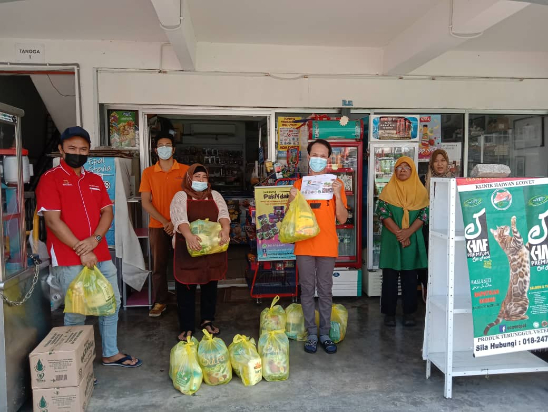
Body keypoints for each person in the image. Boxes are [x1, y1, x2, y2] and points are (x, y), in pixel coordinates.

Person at [36, 126, 141, 368]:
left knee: (111, 302)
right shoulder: (50, 179)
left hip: (100, 253)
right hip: (68, 256)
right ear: (61, 149)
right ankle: (75, 366)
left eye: (83, 149)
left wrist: (95, 240)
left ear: (88, 151)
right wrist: (82, 249)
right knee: (76, 310)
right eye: (72, 148)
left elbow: (107, 212)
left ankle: (110, 353)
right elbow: (52, 221)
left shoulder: (94, 179)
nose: (78, 153)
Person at [288, 139, 348, 354]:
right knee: (306, 290)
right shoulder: (298, 185)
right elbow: (289, 217)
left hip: (327, 245)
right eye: (315, 155)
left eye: (323, 156)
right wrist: (292, 199)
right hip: (304, 245)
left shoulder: (336, 183)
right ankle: (311, 333)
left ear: (328, 159)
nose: (319, 159)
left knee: (325, 290)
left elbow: (342, 218)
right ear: (308, 157)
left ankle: (324, 333)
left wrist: (337, 195)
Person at [170, 164, 230, 341]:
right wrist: (188, 236)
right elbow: (179, 218)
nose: (201, 180)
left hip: (212, 250)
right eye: (197, 177)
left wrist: (225, 230)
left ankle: (207, 320)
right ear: (189, 179)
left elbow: (223, 214)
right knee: (186, 288)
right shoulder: (181, 196)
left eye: (204, 177)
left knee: (210, 286)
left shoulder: (215, 195)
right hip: (187, 247)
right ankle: (187, 326)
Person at [139, 133, 189, 317]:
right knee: (158, 267)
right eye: (161, 145)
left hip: (181, 226)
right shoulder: (148, 172)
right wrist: (165, 222)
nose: (164, 148)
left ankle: (184, 299)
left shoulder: (185, 170)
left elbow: (191, 198)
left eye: (168, 145)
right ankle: (160, 301)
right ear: (155, 150)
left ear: (173, 149)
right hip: (158, 226)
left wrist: (175, 222)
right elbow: (146, 202)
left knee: (183, 263)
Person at [376, 156, 429, 327]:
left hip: (412, 239)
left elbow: (424, 215)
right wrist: (400, 234)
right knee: (389, 278)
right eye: (399, 167)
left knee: (410, 278)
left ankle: (409, 313)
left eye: (407, 167)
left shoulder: (421, 192)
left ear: (413, 171)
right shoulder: (388, 190)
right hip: (392, 240)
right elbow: (383, 213)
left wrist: (407, 233)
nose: (403, 170)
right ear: (395, 171)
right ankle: (389, 314)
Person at [419, 149, 454, 302]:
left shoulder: (453, 180)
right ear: (431, 164)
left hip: (447, 226)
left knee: (444, 259)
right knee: (429, 258)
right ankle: (427, 288)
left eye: (443, 160)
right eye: (436, 161)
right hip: (427, 226)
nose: (439, 164)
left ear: (447, 163)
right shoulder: (423, 180)